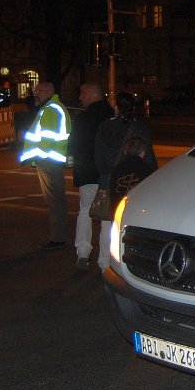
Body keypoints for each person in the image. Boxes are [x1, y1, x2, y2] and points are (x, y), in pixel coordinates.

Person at [95, 92, 157, 271]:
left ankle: (104, 262)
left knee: (108, 222)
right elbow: (149, 159)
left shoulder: (105, 127)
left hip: (110, 179)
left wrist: (106, 173)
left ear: (116, 107)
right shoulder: (140, 128)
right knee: (131, 222)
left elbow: (99, 158)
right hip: (136, 181)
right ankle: (127, 262)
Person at [19, 81, 72, 250]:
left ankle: (57, 238)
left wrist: (38, 157)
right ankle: (58, 236)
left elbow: (47, 138)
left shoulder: (51, 109)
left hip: (48, 161)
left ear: (49, 91)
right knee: (56, 200)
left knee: (54, 201)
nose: (37, 94)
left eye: (39, 91)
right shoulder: (53, 107)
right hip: (51, 160)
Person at [69, 83, 114, 271]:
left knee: (85, 211)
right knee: (107, 217)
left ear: (93, 95)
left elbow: (74, 144)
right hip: (107, 174)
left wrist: (73, 162)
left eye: (83, 93)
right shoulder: (112, 116)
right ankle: (105, 261)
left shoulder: (83, 118)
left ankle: (83, 252)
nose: (80, 98)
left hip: (87, 172)